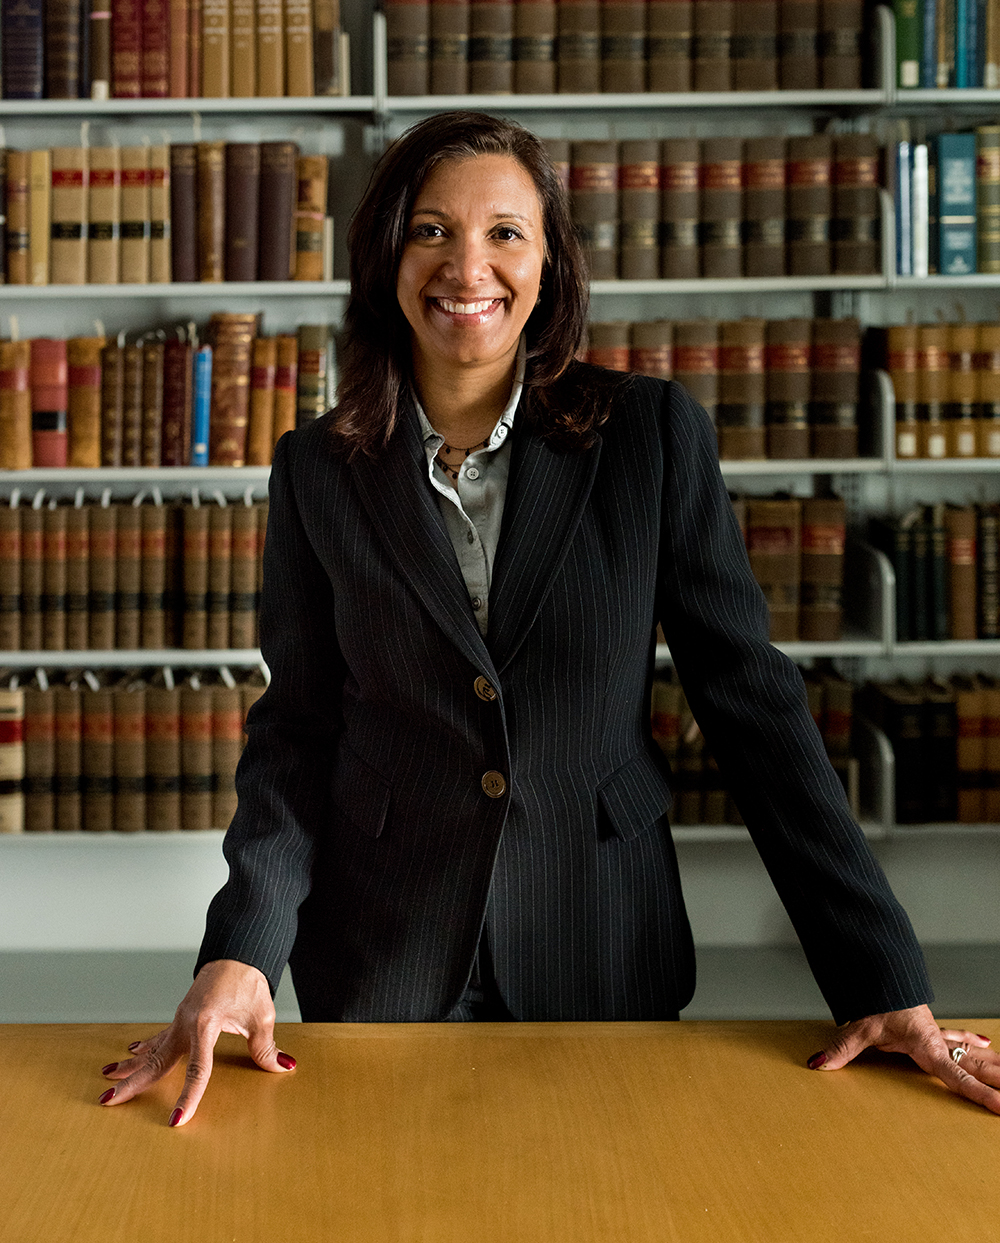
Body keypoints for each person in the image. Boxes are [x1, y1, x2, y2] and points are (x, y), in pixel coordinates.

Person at [97, 112, 999, 1125]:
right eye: (430, 229)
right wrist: (240, 948)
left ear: (549, 262)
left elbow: (753, 708)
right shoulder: (318, 467)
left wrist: (879, 973)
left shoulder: (651, 436)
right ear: (384, 254)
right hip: (384, 950)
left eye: (504, 233)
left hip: (599, 930)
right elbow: (298, 729)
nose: (465, 265)